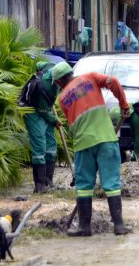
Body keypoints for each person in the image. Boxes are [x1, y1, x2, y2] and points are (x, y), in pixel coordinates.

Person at [50, 62, 133, 236]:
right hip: (105, 139)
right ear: (71, 72)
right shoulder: (91, 77)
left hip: (83, 143)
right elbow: (113, 81)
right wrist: (124, 105)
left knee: (84, 185)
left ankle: (84, 227)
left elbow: (72, 122)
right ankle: (119, 226)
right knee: (111, 183)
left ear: (58, 82)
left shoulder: (62, 98)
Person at [24, 61, 60, 193]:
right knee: (40, 146)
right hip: (33, 110)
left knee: (51, 144)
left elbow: (38, 64)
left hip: (46, 109)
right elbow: (42, 110)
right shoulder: (44, 86)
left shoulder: (51, 67)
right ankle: (39, 186)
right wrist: (55, 120)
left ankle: (48, 181)